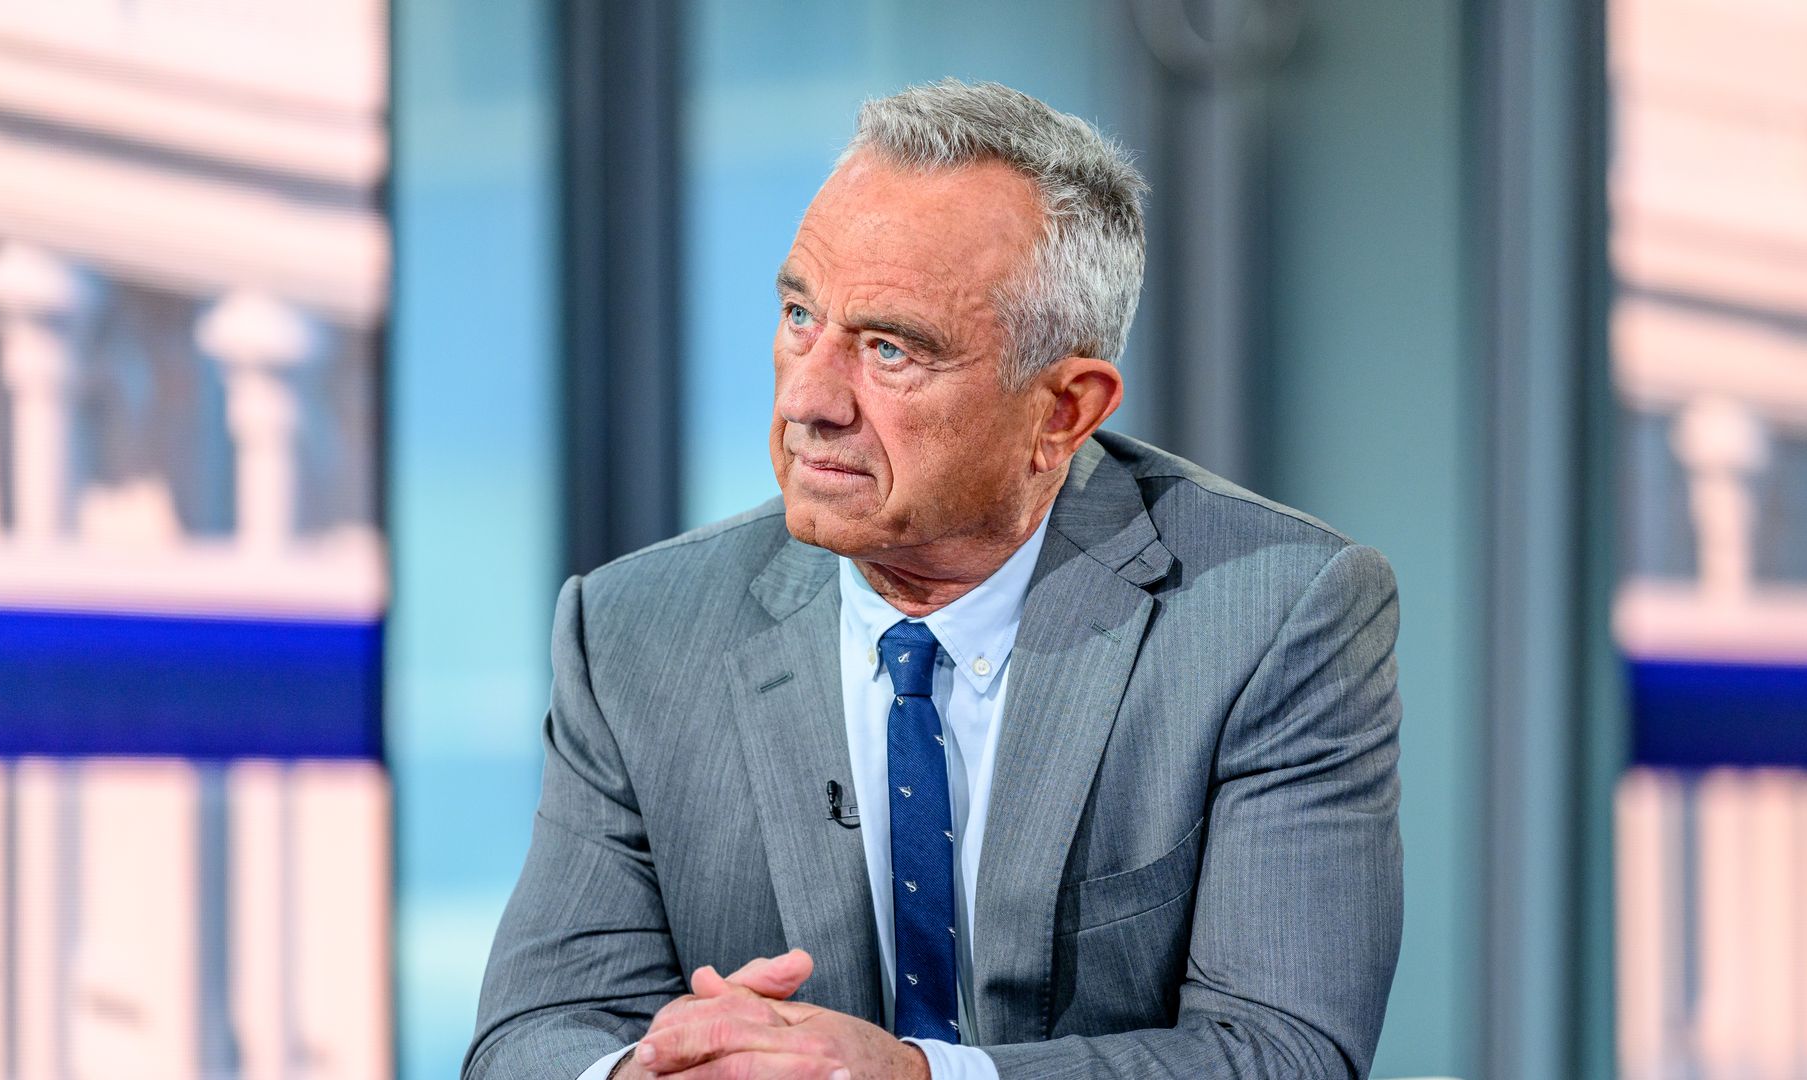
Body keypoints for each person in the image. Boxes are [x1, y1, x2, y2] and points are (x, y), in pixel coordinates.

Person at [466, 79, 1401, 1080]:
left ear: (1063, 413)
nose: (810, 399)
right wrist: (659, 1071)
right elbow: (532, 1036)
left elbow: (1283, 1052)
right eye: (797, 315)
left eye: (889, 349)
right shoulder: (634, 633)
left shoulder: (1272, 616)